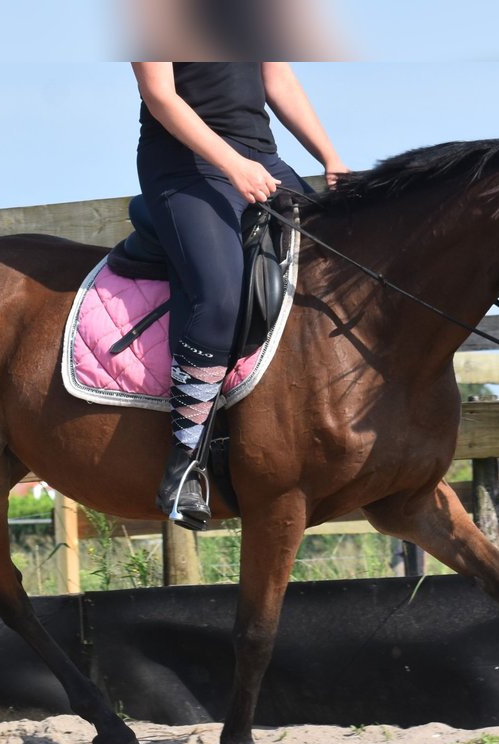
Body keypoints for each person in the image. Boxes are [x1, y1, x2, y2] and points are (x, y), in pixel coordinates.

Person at [132, 62, 348, 529]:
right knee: (221, 297)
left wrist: (330, 157)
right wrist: (232, 165)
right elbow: (161, 96)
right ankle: (185, 462)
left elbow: (278, 79)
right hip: (184, 164)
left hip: (262, 159)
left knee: (341, 262)